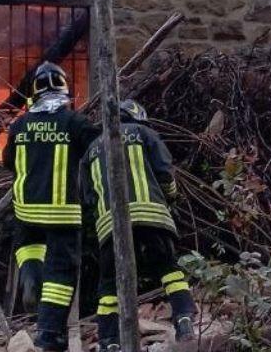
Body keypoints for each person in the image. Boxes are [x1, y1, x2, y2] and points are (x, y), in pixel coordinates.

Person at [81, 99, 197, 352]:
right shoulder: (145, 133)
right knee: (168, 269)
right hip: (151, 215)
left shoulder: (91, 150)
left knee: (109, 287)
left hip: (109, 225)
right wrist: (171, 196)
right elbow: (165, 173)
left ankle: (110, 342)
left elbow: (88, 197)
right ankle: (184, 321)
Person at [2, 61, 98, 351]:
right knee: (60, 273)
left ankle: (31, 275)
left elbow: (8, 162)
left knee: (28, 247)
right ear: (64, 89)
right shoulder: (74, 122)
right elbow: (98, 150)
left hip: (25, 209)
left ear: (34, 92)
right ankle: (49, 334)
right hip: (62, 212)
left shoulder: (19, 125)